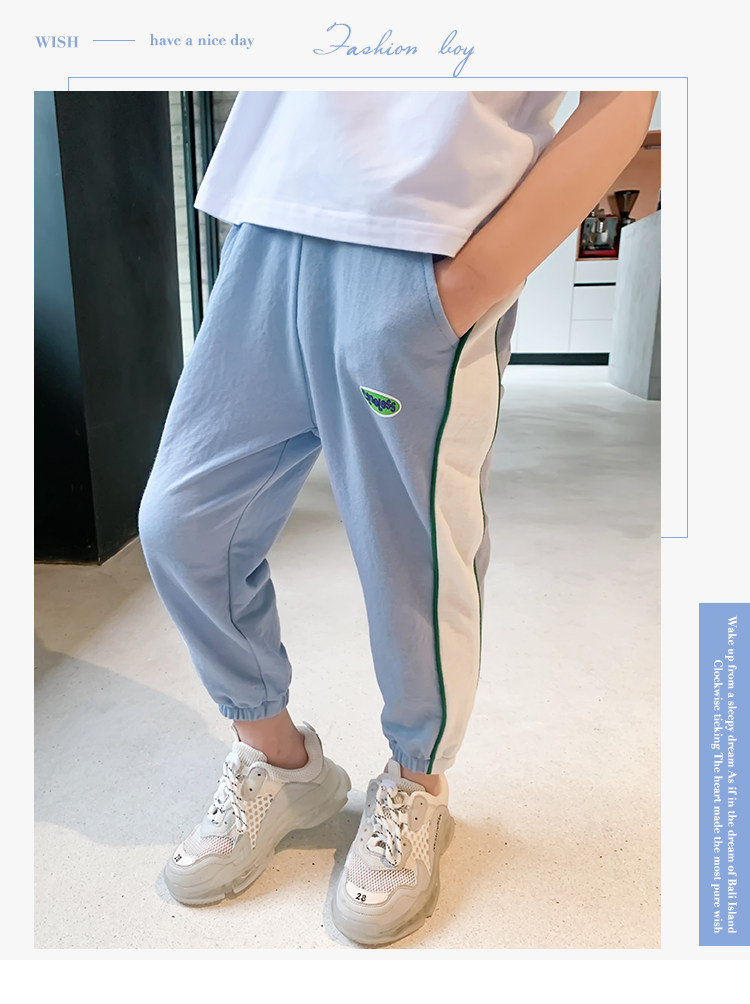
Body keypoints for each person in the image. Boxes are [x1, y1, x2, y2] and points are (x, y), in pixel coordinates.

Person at [138, 89, 657, 945]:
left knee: (410, 561)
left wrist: (470, 285)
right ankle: (280, 760)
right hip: (269, 224)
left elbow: (623, 92)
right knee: (181, 523)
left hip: (423, 243)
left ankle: (417, 786)